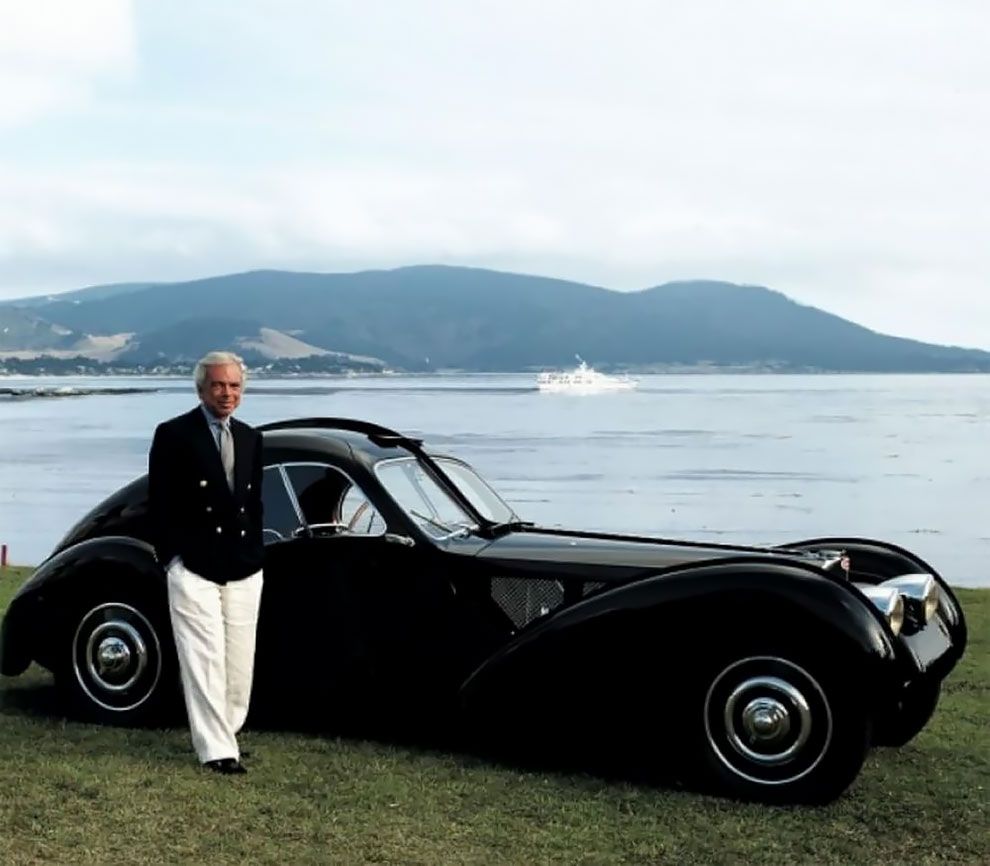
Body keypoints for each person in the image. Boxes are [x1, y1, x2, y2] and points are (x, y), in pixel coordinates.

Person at [148, 351, 264, 775]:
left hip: (244, 565)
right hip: (194, 564)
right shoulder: (174, 434)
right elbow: (158, 503)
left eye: (234, 386)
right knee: (203, 657)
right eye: (218, 385)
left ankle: (228, 734)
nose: (227, 393)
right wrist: (171, 559)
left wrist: (257, 552)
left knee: (238, 659)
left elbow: (254, 504)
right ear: (201, 389)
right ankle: (215, 749)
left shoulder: (252, 438)